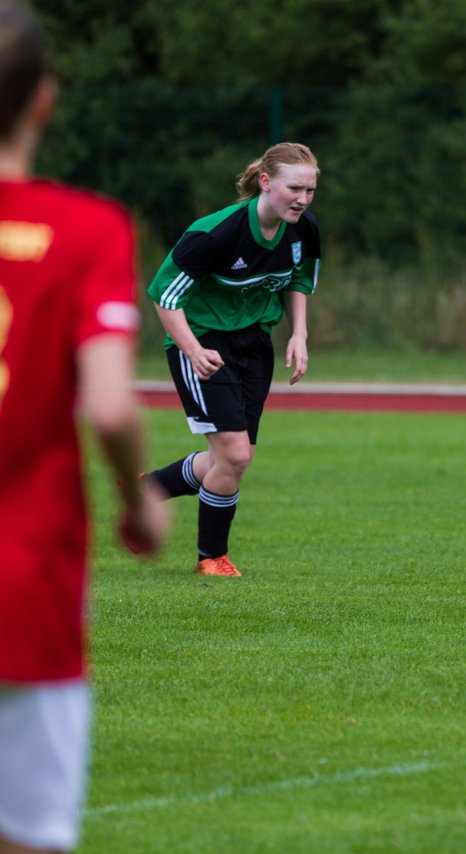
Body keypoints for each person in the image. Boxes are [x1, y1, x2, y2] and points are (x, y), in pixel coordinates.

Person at [0, 2, 169, 851]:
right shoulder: (87, 229)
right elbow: (108, 405)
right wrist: (139, 506)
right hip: (24, 578)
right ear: (43, 101)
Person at [143, 142, 321, 577]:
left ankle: (146, 492)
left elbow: (296, 279)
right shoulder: (216, 233)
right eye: (294, 188)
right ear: (265, 182)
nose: (302, 198)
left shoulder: (304, 229)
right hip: (203, 343)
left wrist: (298, 333)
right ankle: (212, 558)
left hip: (254, 344)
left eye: (311, 190)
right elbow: (163, 295)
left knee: (230, 458)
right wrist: (192, 349)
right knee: (235, 456)